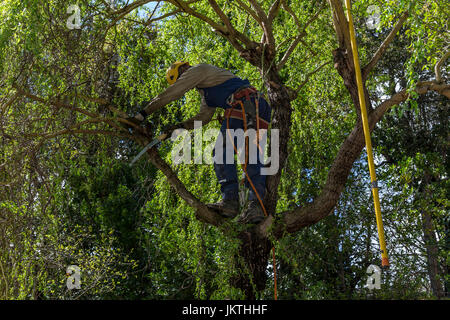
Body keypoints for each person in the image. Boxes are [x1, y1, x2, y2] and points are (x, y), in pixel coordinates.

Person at [126, 61, 272, 224]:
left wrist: (142, 114)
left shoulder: (199, 69)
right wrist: (178, 128)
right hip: (258, 107)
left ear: (183, 69)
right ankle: (255, 207)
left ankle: (230, 201)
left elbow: (173, 92)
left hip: (245, 104)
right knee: (250, 155)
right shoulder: (207, 94)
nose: (184, 78)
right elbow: (203, 118)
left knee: (222, 152)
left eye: (182, 76)